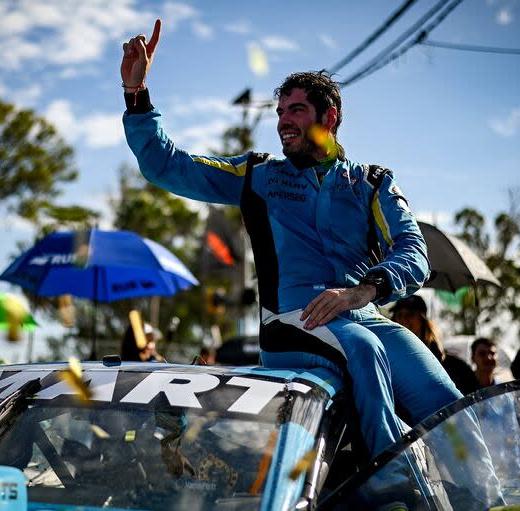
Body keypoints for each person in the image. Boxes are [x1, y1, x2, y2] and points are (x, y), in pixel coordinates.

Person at [120, 19, 463, 461]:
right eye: (280, 112)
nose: (283, 121)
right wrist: (137, 95)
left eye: (296, 110)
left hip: (365, 315)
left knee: (449, 404)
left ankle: (493, 495)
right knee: (365, 349)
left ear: (330, 117)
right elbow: (167, 165)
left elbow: (414, 252)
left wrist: (362, 290)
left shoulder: (371, 182)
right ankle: (390, 481)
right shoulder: (258, 175)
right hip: (290, 320)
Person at [391, 295, 478, 395]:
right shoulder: (389, 360)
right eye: (400, 314)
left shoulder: (454, 366)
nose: (404, 320)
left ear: (423, 320)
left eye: (410, 314)